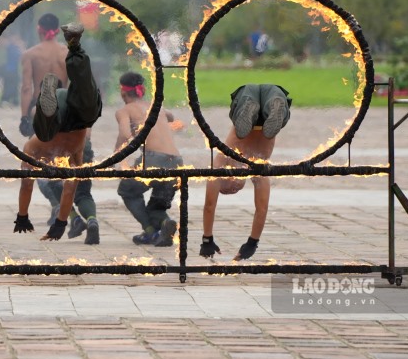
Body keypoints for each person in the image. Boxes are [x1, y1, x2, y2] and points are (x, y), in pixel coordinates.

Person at [13, 22, 103, 241]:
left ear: (40, 29)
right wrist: (60, 224)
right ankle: (75, 52)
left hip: (56, 131)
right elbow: (70, 187)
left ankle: (47, 103)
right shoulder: (74, 151)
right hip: (78, 122)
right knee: (84, 94)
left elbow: (27, 184)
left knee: (46, 128)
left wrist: (22, 216)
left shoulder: (33, 148)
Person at [200, 83, 291, 261]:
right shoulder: (256, 169)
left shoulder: (223, 161)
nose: (235, 190)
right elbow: (261, 208)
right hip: (267, 100)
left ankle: (254, 107)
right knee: (271, 108)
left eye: (230, 190)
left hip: (251, 104)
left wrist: (207, 239)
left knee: (248, 114)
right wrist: (251, 242)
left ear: (229, 179)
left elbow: (209, 206)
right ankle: (271, 105)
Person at [114, 72, 184, 247]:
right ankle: (164, 224)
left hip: (153, 160)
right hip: (177, 162)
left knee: (127, 190)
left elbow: (125, 134)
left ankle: (150, 232)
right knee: (156, 207)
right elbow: (172, 117)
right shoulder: (156, 107)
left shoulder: (125, 110)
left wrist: (117, 157)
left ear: (123, 93)